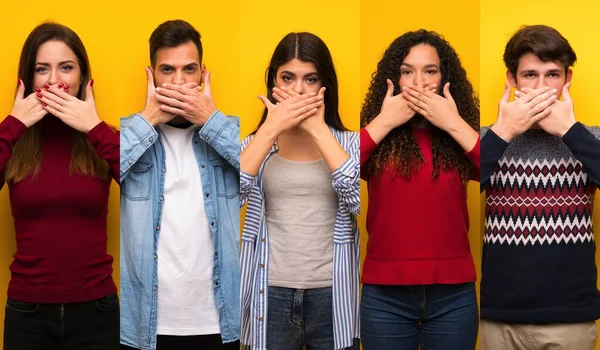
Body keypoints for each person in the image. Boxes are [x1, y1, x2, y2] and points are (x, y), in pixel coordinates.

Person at [119, 20, 240, 350]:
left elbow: (259, 175)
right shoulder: (129, 132)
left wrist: (211, 121)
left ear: (203, 73)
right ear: (151, 75)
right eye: (167, 70)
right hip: (147, 324)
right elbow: (103, 173)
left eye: (189, 70)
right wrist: (149, 120)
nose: (179, 82)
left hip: (220, 321)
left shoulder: (230, 131)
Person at [479, 24, 600, 350]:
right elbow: (453, 187)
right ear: (512, 79)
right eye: (530, 75)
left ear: (567, 79)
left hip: (570, 319)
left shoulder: (590, 137)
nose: (542, 87)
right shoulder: (489, 137)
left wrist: (570, 130)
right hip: (499, 317)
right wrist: (504, 132)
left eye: (552, 75)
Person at [0, 22, 119, 349]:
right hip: (28, 313)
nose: (54, 81)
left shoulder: (104, 138)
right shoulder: (13, 139)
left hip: (97, 310)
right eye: (42, 69)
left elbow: (148, 189)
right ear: (27, 78)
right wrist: (13, 125)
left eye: (66, 68)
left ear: (82, 77)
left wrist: (94, 128)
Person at [359, 29, 480, 350]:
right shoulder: (377, 133)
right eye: (407, 72)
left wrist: (452, 122)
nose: (419, 82)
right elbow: (339, 169)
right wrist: (384, 121)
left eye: (430, 71)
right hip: (385, 295)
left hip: (453, 295)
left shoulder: (460, 134)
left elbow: (497, 173)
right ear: (393, 80)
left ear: (445, 78)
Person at [239, 32, 360, 350]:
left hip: (332, 294)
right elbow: (230, 197)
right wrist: (270, 130)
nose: (298, 90)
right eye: (288, 78)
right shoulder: (255, 145)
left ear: (325, 85)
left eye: (310, 79)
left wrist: (318, 130)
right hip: (271, 291)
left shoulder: (348, 144)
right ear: (273, 83)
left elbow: (355, 200)